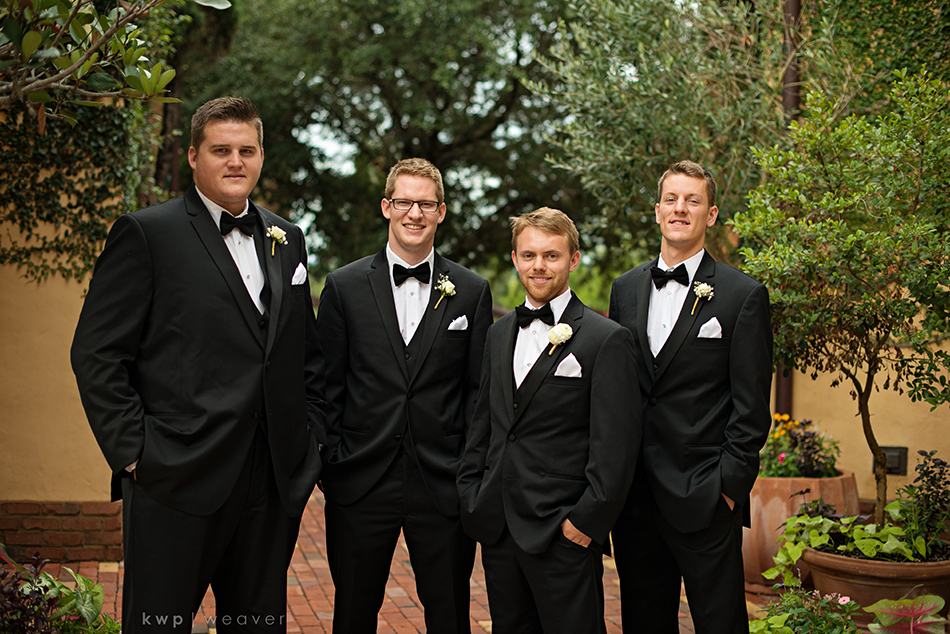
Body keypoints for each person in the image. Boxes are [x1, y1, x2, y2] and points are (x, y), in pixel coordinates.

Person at [71, 96, 322, 633]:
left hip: (269, 483)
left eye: (246, 150)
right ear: (192, 156)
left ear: (261, 156)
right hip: (175, 477)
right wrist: (135, 454)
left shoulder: (288, 239)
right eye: (220, 150)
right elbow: (96, 352)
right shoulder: (147, 233)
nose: (235, 161)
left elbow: (305, 355)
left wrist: (310, 443)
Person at [314, 157, 493, 633]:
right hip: (360, 480)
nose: (415, 213)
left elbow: (478, 391)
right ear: (386, 207)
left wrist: (467, 468)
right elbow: (326, 383)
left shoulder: (471, 291)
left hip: (442, 482)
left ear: (442, 212)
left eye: (426, 204)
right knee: (353, 614)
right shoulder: (344, 286)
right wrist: (333, 461)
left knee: (449, 615)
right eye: (404, 202)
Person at [457, 207, 641, 634]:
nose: (538, 265)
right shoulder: (498, 333)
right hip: (500, 529)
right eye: (529, 255)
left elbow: (615, 447)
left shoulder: (605, 339)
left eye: (551, 255)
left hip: (563, 533)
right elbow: (484, 423)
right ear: (515, 259)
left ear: (573, 260)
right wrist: (472, 492)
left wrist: (583, 525)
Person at [609, 160, 773, 634]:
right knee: (644, 623)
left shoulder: (743, 296)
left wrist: (727, 488)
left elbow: (751, 407)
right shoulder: (625, 289)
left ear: (711, 214)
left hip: (705, 496)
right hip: (635, 500)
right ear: (657, 210)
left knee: (720, 623)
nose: (680, 208)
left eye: (693, 200)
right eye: (672, 199)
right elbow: (620, 392)